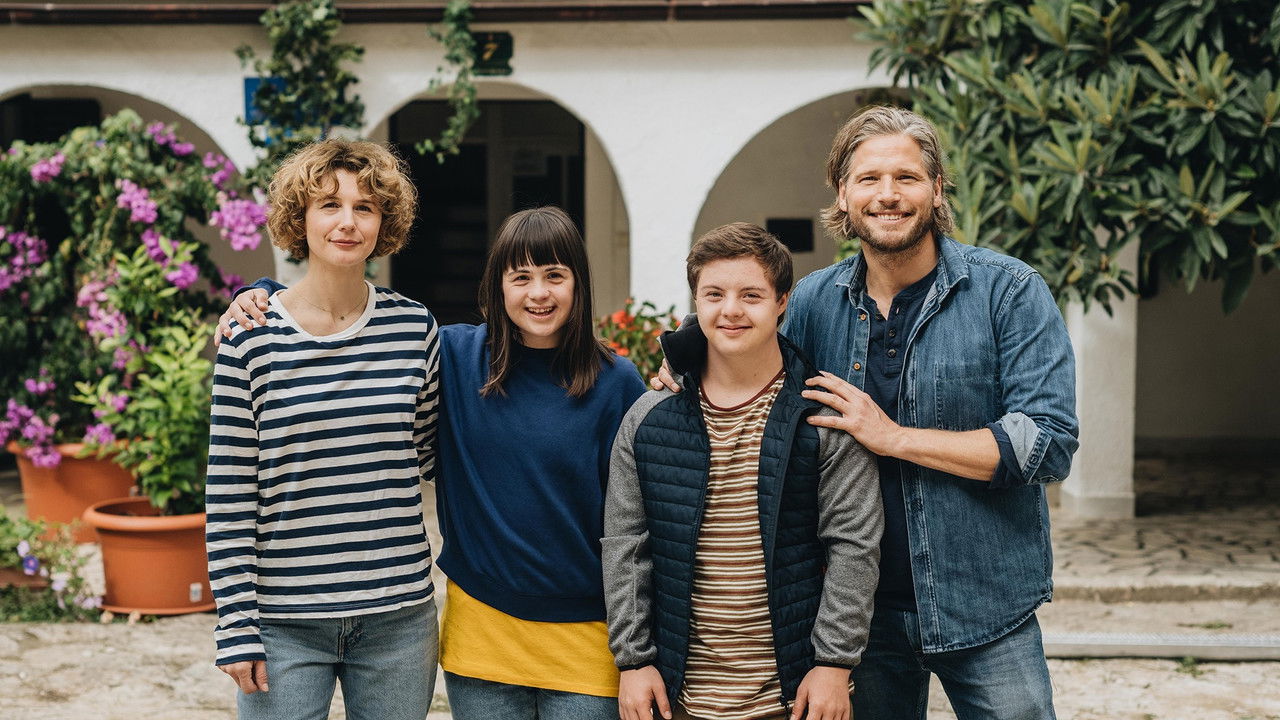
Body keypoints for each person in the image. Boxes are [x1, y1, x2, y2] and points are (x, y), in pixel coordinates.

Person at [657, 106, 1079, 719]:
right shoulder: (811, 301)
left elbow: (1048, 443)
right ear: (842, 193)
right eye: (869, 179)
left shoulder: (1007, 291)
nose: (888, 195)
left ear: (937, 190)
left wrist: (893, 437)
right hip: (857, 618)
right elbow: (743, 344)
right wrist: (685, 359)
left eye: (906, 178)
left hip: (985, 603)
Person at [218, 206, 647, 719]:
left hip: (586, 634)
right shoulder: (457, 356)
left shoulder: (617, 382)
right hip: (484, 634)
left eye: (555, 275)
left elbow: (639, 523)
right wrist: (261, 292)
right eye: (521, 277)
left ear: (579, 283)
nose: (539, 293)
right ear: (497, 285)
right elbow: (337, 316)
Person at [604, 223, 883, 720]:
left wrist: (833, 663)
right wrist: (633, 660)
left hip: (794, 696)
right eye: (714, 294)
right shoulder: (647, 419)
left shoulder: (823, 418)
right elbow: (626, 544)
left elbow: (853, 546)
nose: (731, 310)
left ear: (782, 302)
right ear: (696, 301)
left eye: (751, 295)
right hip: (676, 695)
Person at [206, 138, 441, 720]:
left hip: (397, 617)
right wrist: (236, 621)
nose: (347, 222)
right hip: (283, 620)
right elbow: (230, 490)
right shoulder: (250, 336)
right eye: (329, 205)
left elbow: (434, 454)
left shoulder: (414, 328)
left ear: (384, 222)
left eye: (365, 207)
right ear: (300, 218)